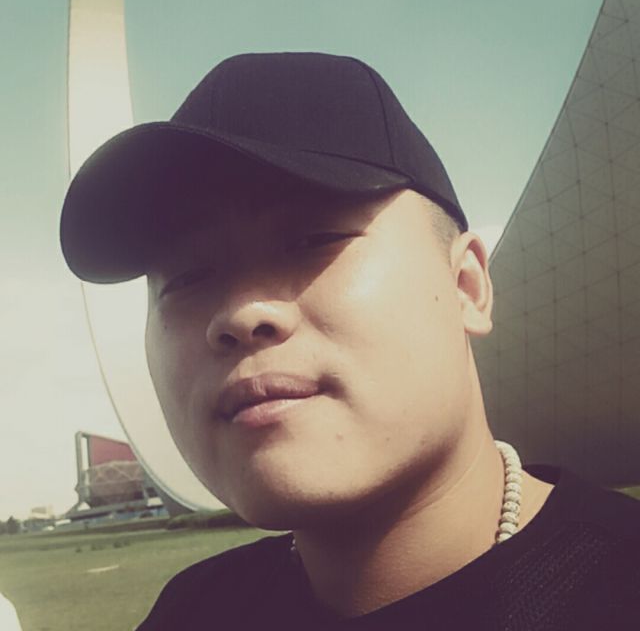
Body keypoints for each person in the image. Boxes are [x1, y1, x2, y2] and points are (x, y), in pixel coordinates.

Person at [60, 53, 640, 630]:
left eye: (312, 239)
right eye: (187, 277)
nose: (239, 315)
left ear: (466, 286)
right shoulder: (191, 613)